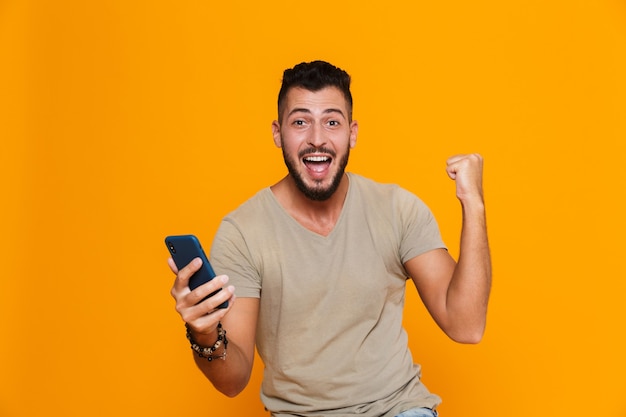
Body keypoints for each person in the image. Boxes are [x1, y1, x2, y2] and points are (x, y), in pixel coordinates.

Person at [168, 60, 492, 417]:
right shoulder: (242, 232)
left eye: (332, 122)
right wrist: (204, 334)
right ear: (278, 133)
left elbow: (467, 326)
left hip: (398, 409)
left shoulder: (397, 209)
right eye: (301, 122)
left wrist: (473, 206)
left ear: (352, 133)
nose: (317, 138)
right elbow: (232, 381)